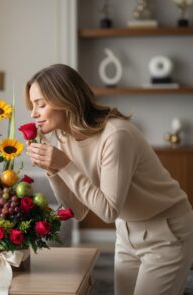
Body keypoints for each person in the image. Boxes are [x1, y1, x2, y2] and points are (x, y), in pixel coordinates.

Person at [24, 64, 193, 295]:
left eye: (40, 105)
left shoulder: (116, 135)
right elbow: (79, 211)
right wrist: (54, 170)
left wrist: (64, 164)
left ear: (66, 99)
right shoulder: (65, 138)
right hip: (126, 233)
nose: (33, 114)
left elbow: (108, 210)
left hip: (166, 232)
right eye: (33, 106)